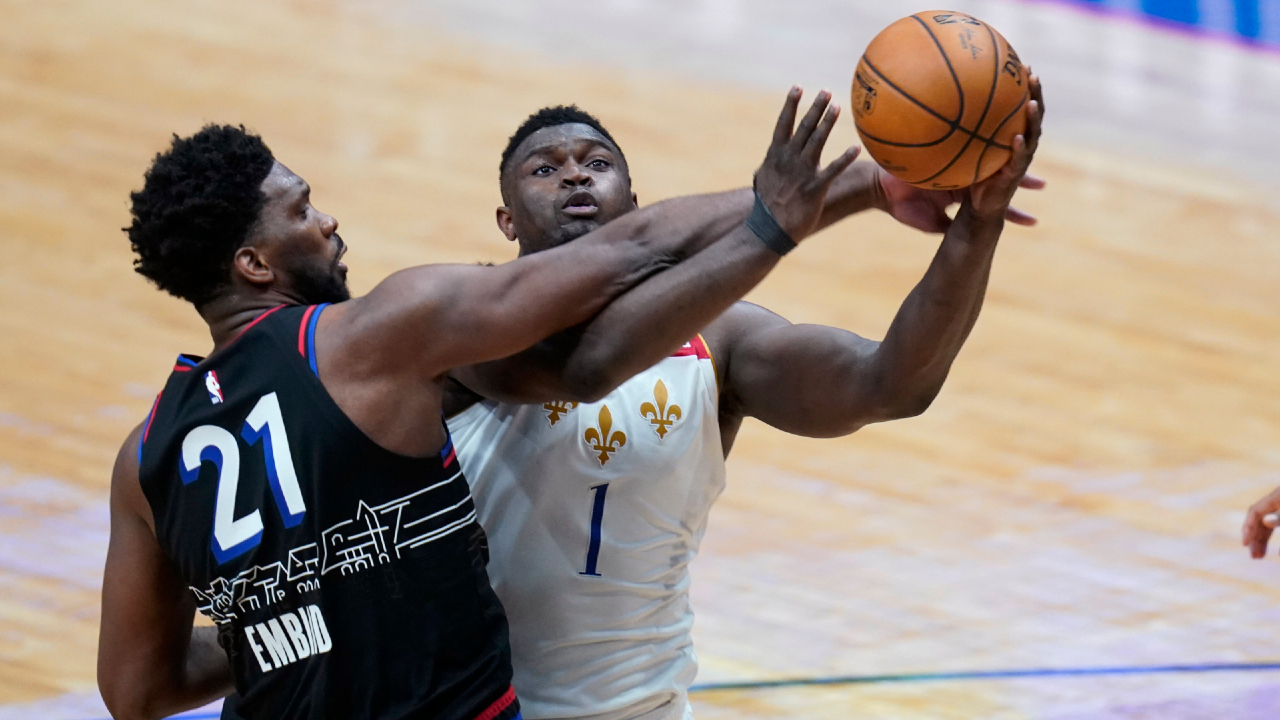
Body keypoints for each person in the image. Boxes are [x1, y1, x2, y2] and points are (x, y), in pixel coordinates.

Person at [97, 88, 863, 720]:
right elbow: (625, 259)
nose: (328, 222)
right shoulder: (369, 341)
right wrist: (786, 209)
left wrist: (292, 621)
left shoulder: (145, 455)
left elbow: (138, 691)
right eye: (301, 211)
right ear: (254, 264)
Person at [434, 76, 1045, 720]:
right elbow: (586, 366)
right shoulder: (461, 320)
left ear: (637, 206)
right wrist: (798, 211)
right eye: (545, 169)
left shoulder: (719, 340)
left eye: (597, 163)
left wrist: (979, 223)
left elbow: (889, 385)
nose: (575, 176)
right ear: (506, 219)